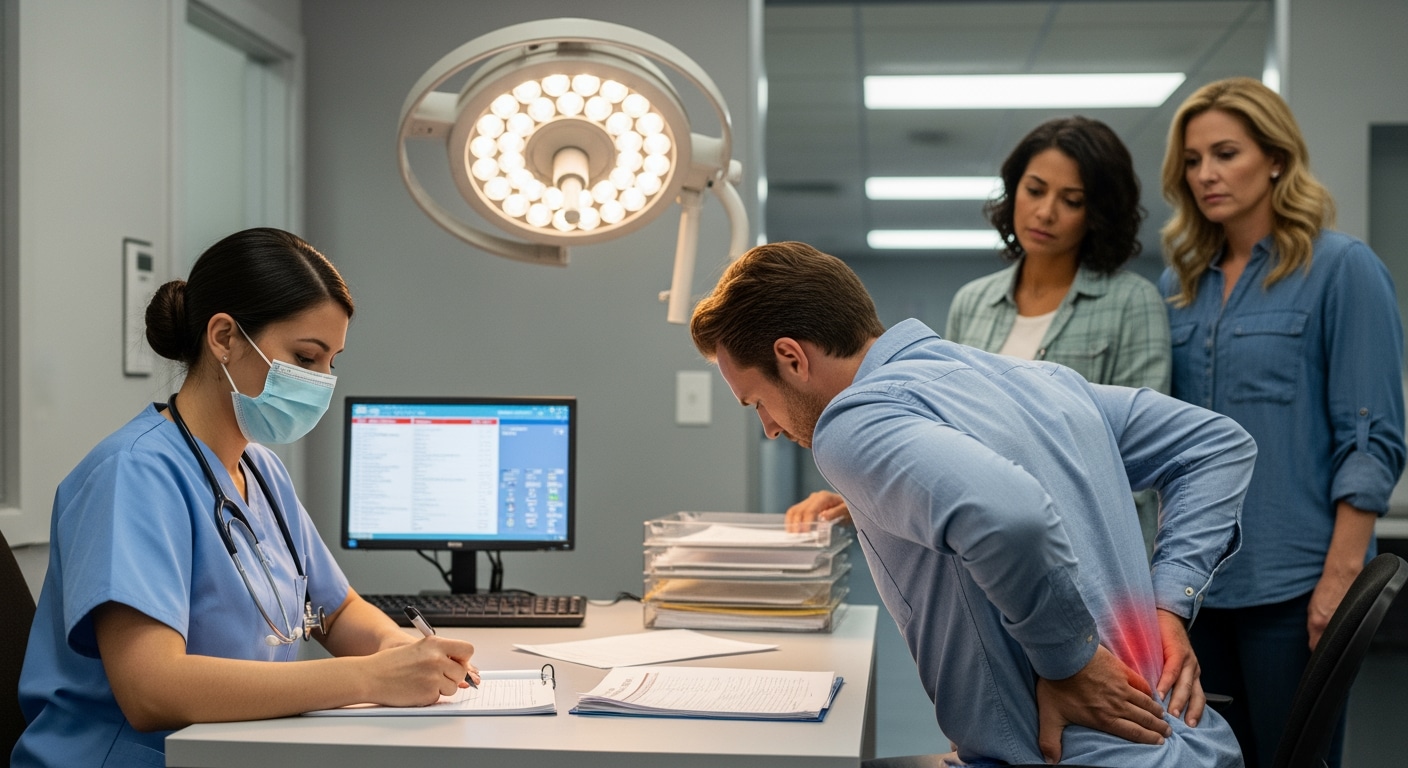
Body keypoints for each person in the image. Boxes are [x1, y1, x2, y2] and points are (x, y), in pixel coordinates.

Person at [691, 241, 1254, 766]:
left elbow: (1011, 518)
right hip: (1192, 745)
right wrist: (1169, 604)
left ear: (791, 357)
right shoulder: (1035, 380)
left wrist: (1070, 664)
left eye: (756, 402)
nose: (768, 427)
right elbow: (1216, 445)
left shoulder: (847, 424)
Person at [11, 228, 480, 768]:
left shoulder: (261, 470)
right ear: (224, 337)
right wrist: (368, 677)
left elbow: (337, 610)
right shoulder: (133, 474)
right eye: (306, 357)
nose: (322, 381)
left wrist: (394, 647)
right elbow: (151, 690)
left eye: (331, 361)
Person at [1159, 77, 1406, 768]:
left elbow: (1372, 438)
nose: (1205, 174)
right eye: (1192, 160)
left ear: (1274, 158)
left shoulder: (1342, 269)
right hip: (1197, 590)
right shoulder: (1178, 286)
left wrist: (1341, 578)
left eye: (1225, 153)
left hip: (1295, 587)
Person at [789, 117, 1170, 555]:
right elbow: (936, 438)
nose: (1046, 211)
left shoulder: (1131, 302)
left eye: (1072, 200)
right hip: (986, 551)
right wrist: (864, 496)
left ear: (1097, 213)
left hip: (1092, 553)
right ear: (1014, 191)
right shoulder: (973, 302)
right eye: (1035, 190)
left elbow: (1140, 452)